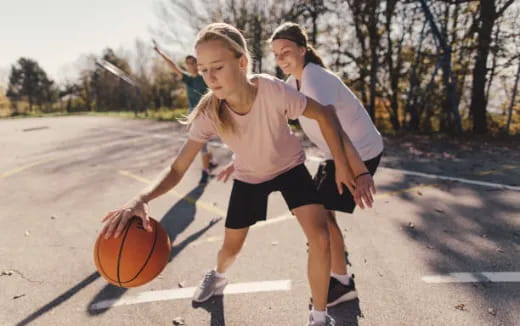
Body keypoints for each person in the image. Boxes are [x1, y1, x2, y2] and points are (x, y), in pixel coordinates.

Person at [103, 23, 372, 326]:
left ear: (242, 62)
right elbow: (178, 168)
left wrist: (344, 165)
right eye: (203, 70)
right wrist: (141, 197)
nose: (209, 77)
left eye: (217, 67)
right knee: (231, 247)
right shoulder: (209, 113)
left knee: (320, 235)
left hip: (290, 167)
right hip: (250, 176)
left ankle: (319, 316)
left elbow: (324, 113)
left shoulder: (271, 89)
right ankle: (218, 277)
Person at [218, 22, 384, 308]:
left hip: (358, 151)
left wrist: (358, 171)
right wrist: (241, 159)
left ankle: (341, 283)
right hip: (337, 154)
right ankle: (338, 268)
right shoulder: (290, 84)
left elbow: (337, 130)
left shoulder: (314, 78)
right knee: (324, 215)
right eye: (276, 54)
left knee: (324, 218)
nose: (281, 58)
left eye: (287, 51)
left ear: (303, 50)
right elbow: (268, 127)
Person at [153, 40, 216, 184]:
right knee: (203, 145)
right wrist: (159, 52)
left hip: (208, 115)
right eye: (188, 64)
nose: (190, 66)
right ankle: (207, 169)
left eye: (193, 63)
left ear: (197, 64)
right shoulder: (187, 79)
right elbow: (173, 66)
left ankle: (208, 167)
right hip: (195, 116)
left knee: (206, 144)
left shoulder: (205, 77)